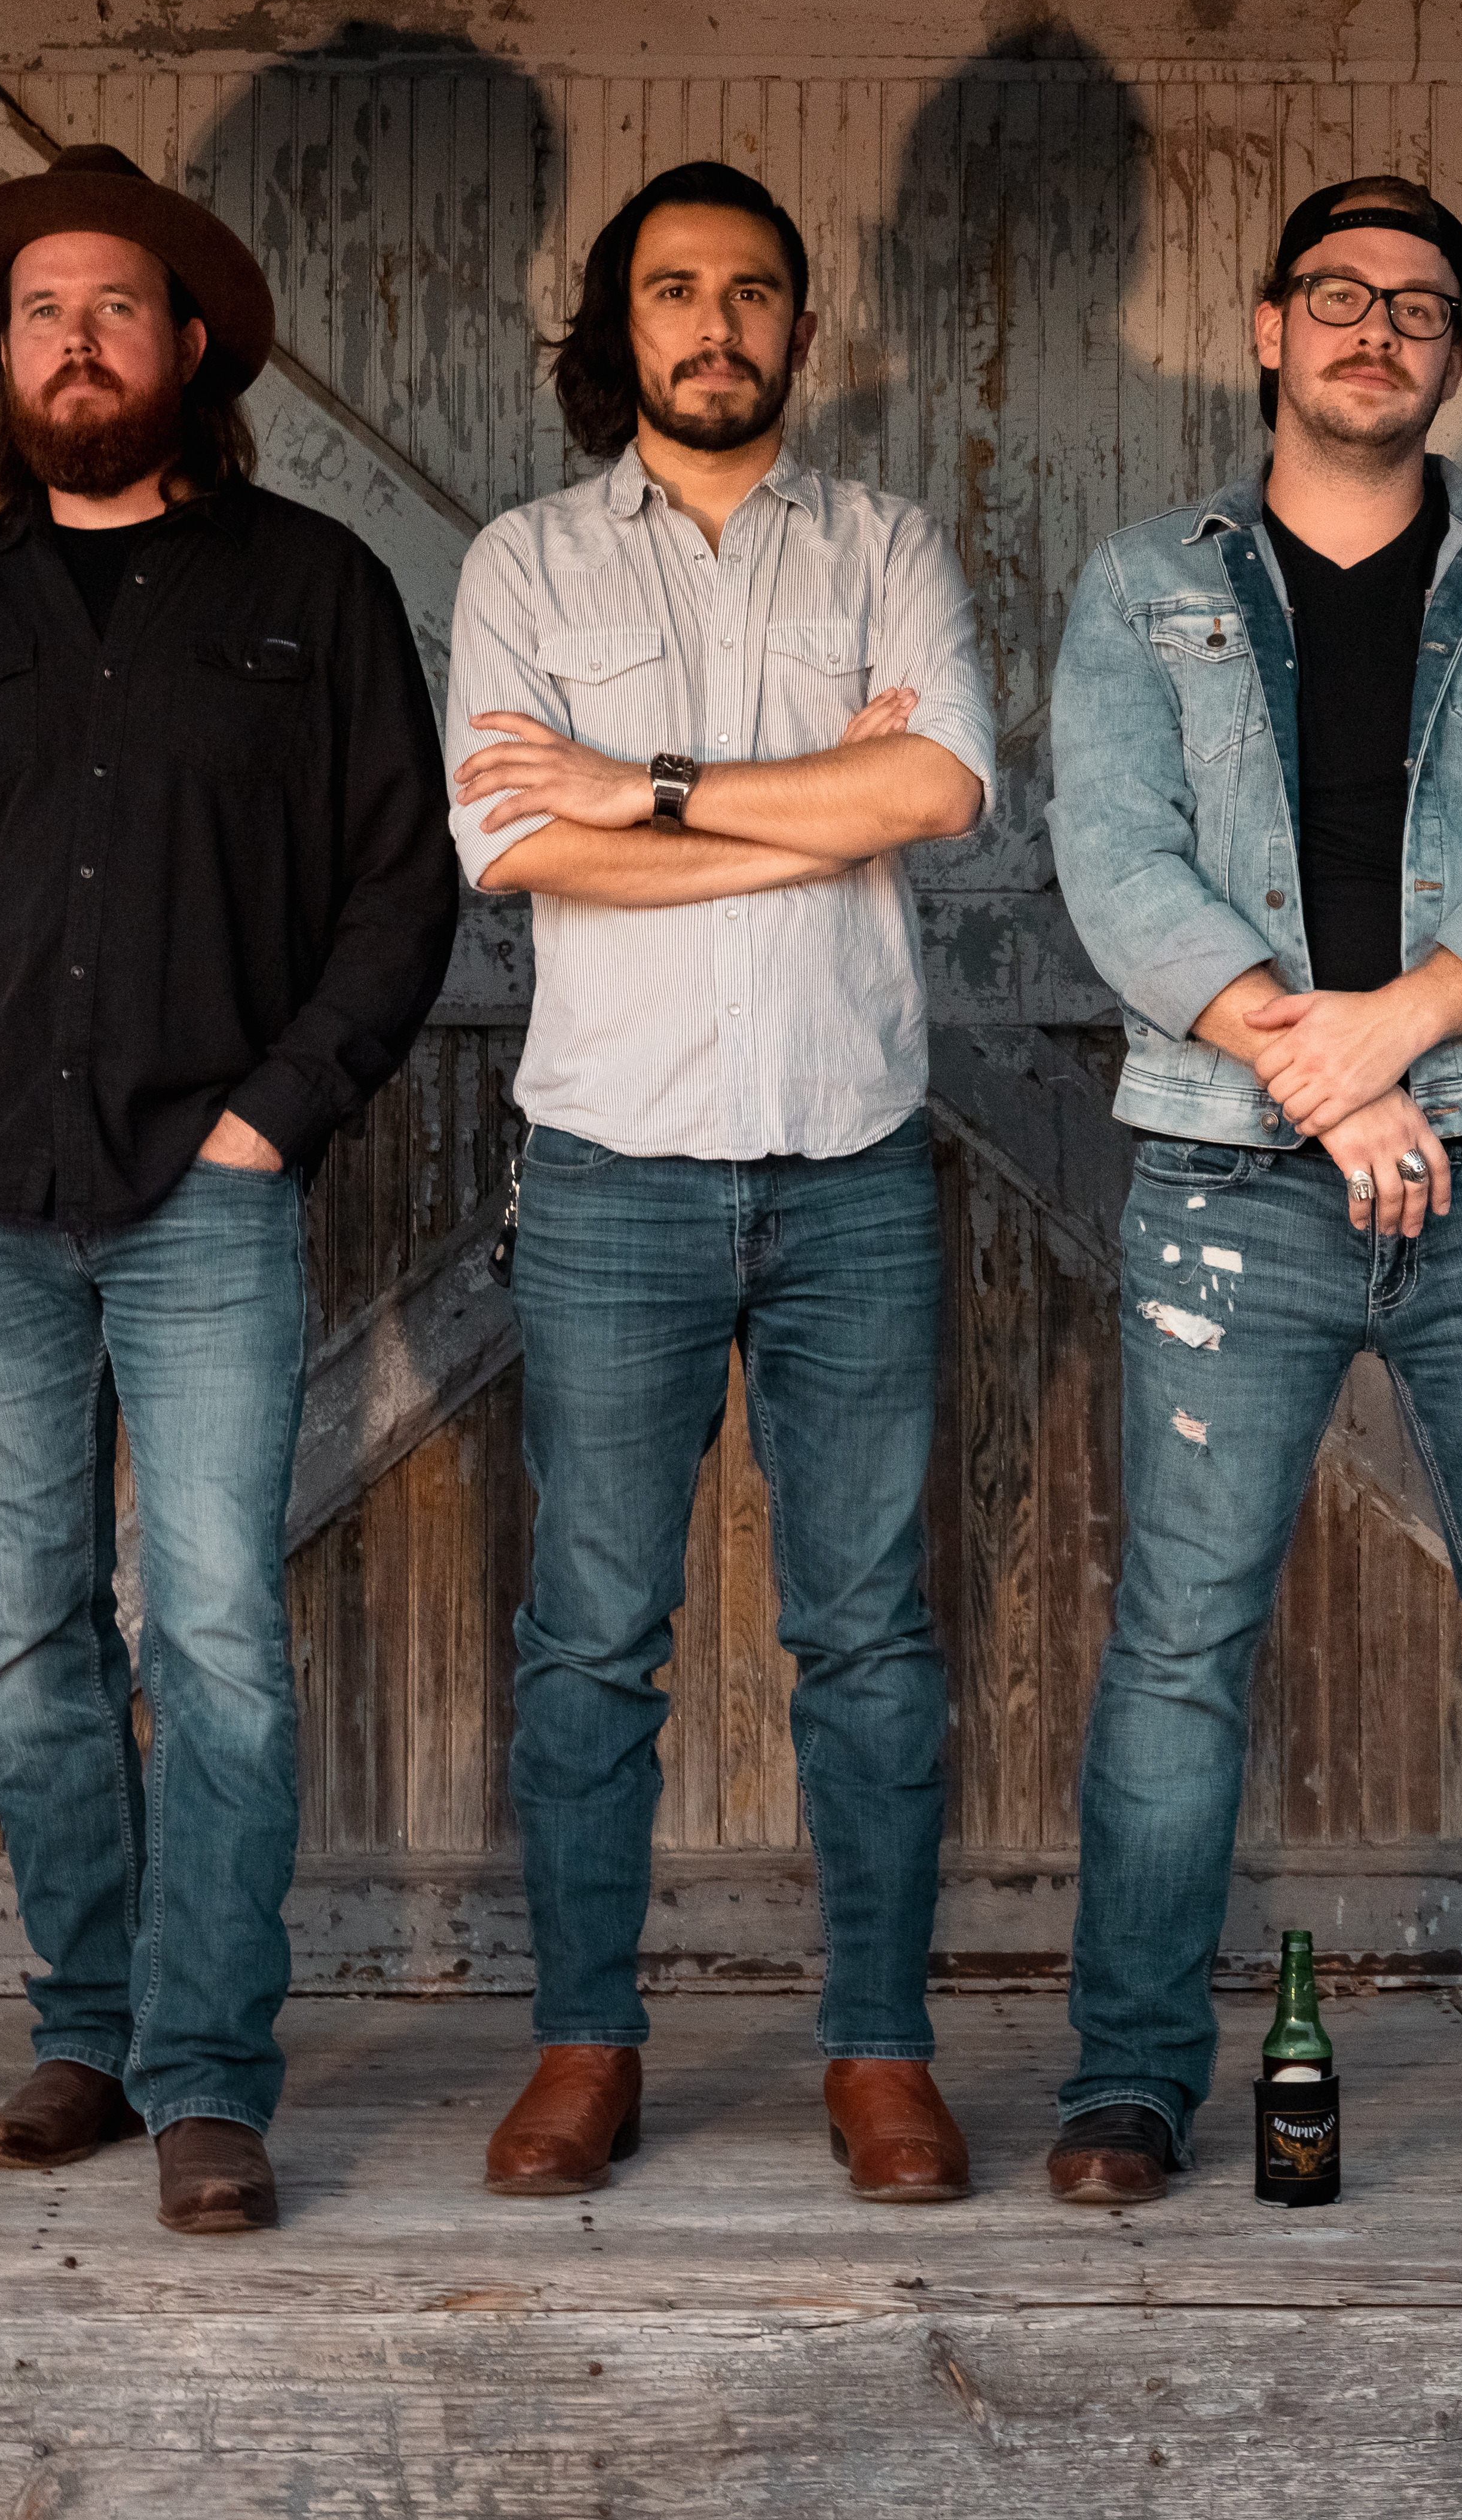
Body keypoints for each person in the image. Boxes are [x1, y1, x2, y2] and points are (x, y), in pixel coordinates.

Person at [0, 145, 457, 2235]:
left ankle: (208, 2072)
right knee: (30, 1636)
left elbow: (399, 888)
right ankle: (85, 2031)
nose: (76, 340)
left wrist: (278, 1111)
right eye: (38, 312)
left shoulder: (315, 589)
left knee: (216, 1638)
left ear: (190, 346)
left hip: (210, 1184)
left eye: (115, 306)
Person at [1041, 174, 1462, 2213]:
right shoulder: (1146, 582)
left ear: (1454, 348)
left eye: (1419, 306)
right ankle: (1130, 2084)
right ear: (1265, 326)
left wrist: (1385, 1032)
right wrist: (1313, 1077)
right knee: (1176, 1647)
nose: (1375, 330)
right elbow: (1112, 863)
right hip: (1231, 1189)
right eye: (1337, 294)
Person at [444, 163, 992, 2204]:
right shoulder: (521, 561)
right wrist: (809, 823)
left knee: (866, 1637)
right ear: (621, 320)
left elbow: (936, 786)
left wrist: (653, 787)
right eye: (675, 287)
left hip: (849, 1161)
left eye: (753, 290)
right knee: (594, 1631)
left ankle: (878, 2051)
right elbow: (513, 844)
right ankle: (586, 2037)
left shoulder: (887, 544)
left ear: (796, 330)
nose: (716, 322)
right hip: (610, 1165)